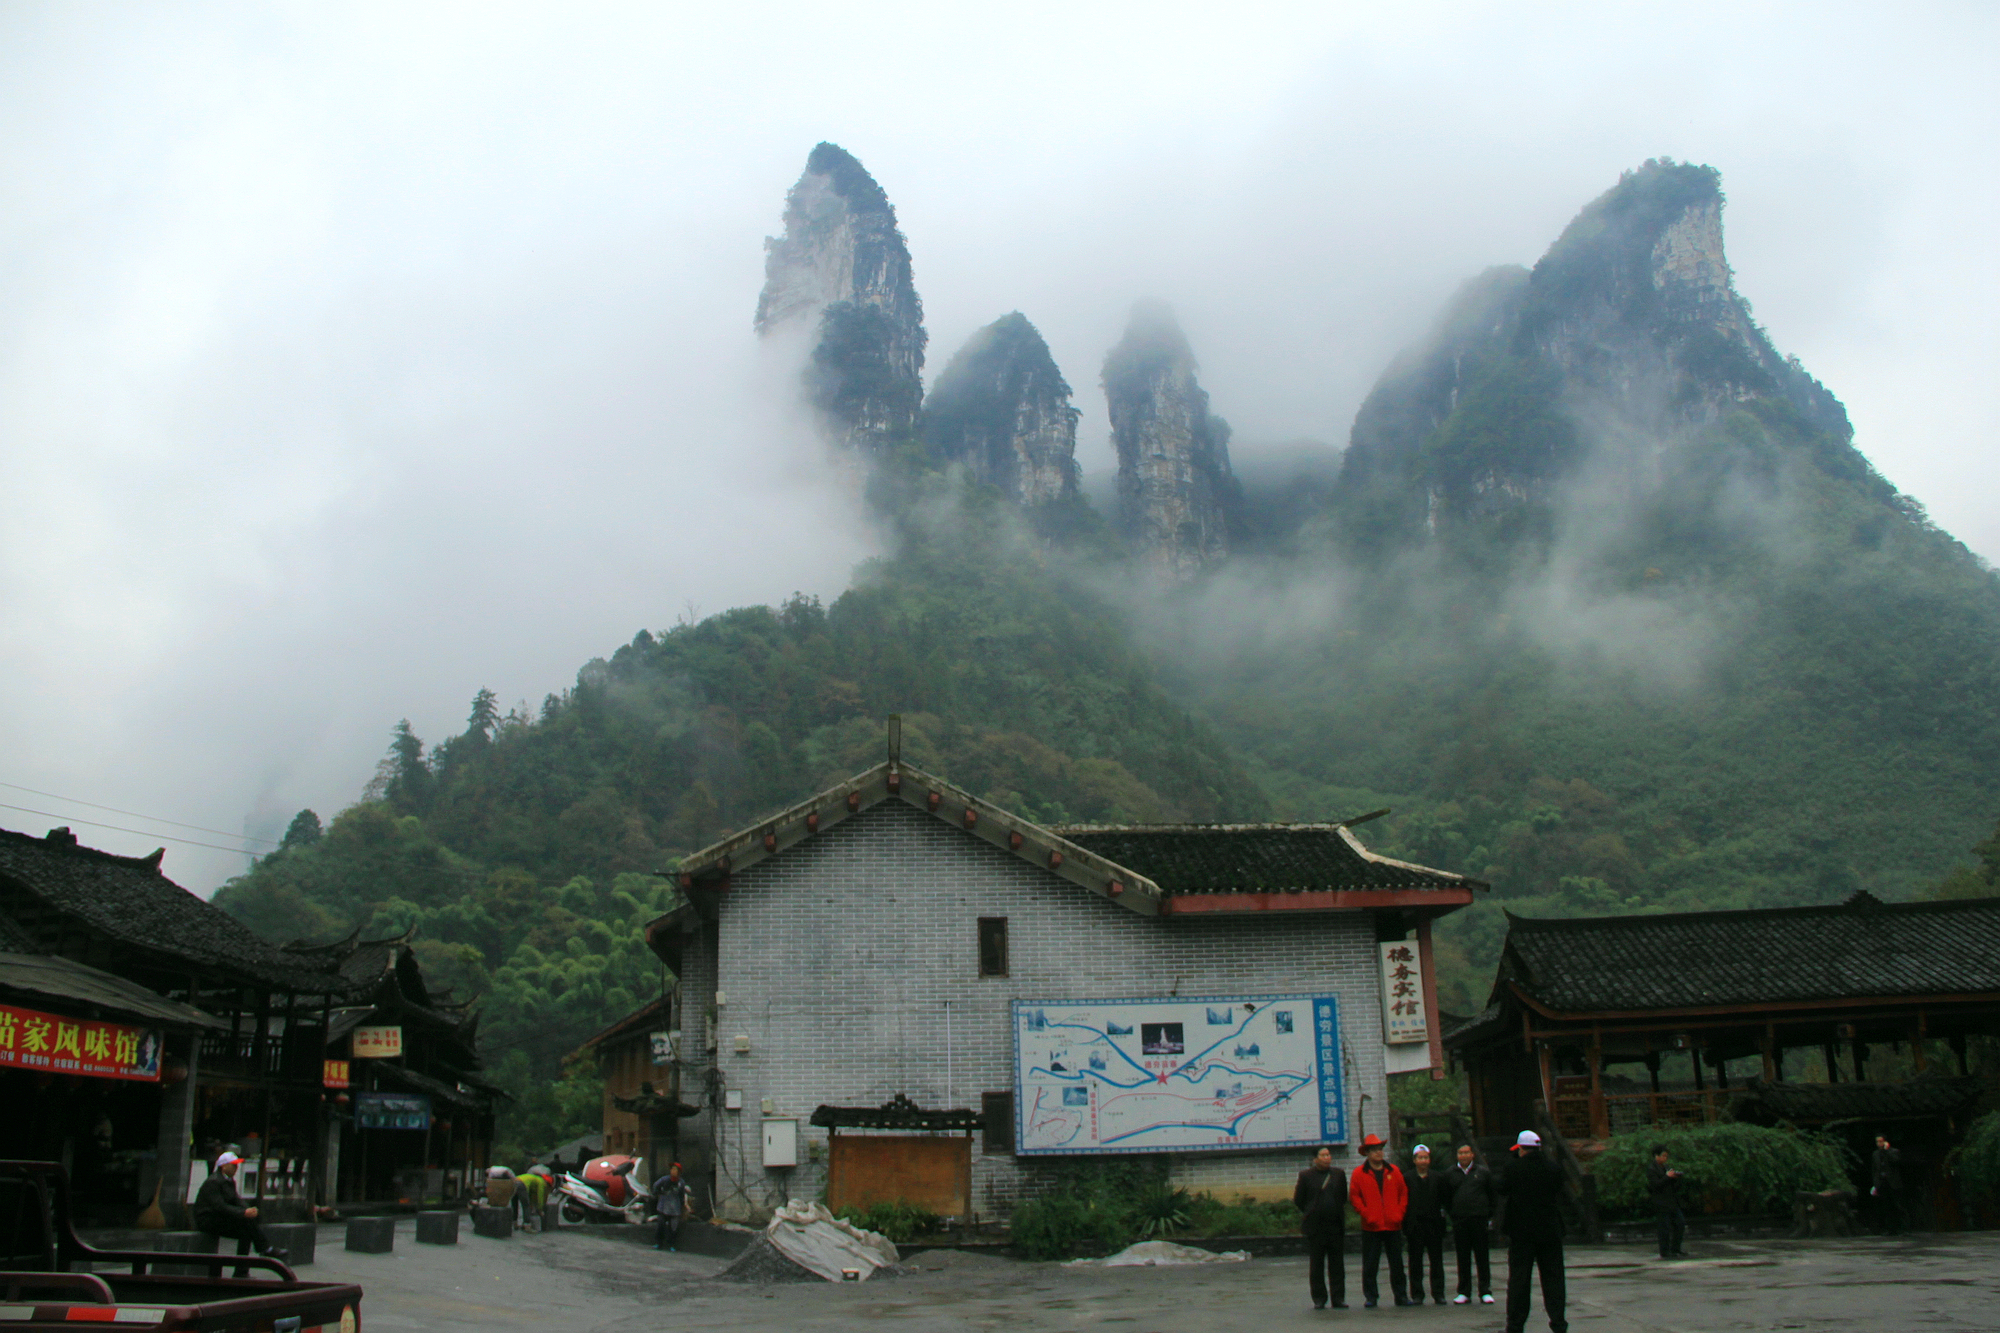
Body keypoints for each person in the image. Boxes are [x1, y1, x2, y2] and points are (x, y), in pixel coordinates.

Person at [1495, 1130, 1577, 1333]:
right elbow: (1558, 1188)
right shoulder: (1553, 1169)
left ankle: (1515, 1325)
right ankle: (1558, 1323)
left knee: (1519, 1280)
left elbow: (1502, 1188)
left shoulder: (1513, 1168)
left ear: (1521, 1148)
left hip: (1521, 1231)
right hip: (1549, 1230)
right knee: (1554, 1279)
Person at [1348, 1133, 1412, 1308]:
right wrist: (1367, 1214)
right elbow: (1355, 1198)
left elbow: (1403, 1194)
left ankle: (1401, 1295)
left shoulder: (1394, 1171)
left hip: (1393, 1224)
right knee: (1370, 1264)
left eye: (1380, 1149)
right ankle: (1371, 1296)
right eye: (1374, 1150)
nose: (1378, 1153)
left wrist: (1399, 1213)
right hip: (1371, 1226)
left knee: (1397, 1263)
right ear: (1367, 1153)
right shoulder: (1359, 1174)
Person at [192, 1152, 287, 1261]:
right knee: (245, 1222)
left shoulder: (229, 1181)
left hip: (219, 1217)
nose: (236, 1168)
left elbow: (236, 1199)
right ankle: (265, 1248)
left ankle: (242, 1269)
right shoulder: (213, 1182)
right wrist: (243, 1213)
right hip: (208, 1220)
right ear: (223, 1166)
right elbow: (220, 1206)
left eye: (237, 1165)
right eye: (233, 1165)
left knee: (246, 1230)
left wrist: (247, 1210)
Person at [1292, 1145, 1349, 1309]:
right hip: (1316, 1227)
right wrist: (1311, 1211)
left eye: (1328, 1155)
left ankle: (1338, 1298)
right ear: (1315, 1159)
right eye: (1323, 1155)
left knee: (1337, 1264)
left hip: (1335, 1226)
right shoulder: (1306, 1176)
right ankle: (1319, 1298)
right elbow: (1299, 1200)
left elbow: (1343, 1197)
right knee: (1317, 1264)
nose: (1327, 1158)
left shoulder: (1338, 1174)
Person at [1442, 1142, 1495, 1305]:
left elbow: (1492, 1196)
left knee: (1482, 1256)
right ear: (1456, 1155)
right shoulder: (1450, 1173)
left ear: (1472, 1154)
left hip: (1479, 1219)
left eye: (1467, 1153)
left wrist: (1489, 1215)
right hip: (1460, 1220)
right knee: (1462, 1256)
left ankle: (1485, 1290)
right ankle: (1464, 1291)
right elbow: (1446, 1197)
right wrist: (1454, 1214)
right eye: (1460, 1153)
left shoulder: (1483, 1173)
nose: (1464, 1156)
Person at [1402, 1144, 1448, 1304]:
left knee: (1436, 1260)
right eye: (1420, 1157)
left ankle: (1438, 1293)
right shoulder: (1406, 1178)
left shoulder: (1438, 1178)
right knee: (1415, 1261)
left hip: (1434, 1224)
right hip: (1415, 1226)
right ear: (1414, 1160)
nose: (1423, 1160)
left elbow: (1444, 1201)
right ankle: (1417, 1294)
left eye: (1425, 1157)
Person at [1646, 1145, 1687, 1258]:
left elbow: (1672, 1185)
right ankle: (1665, 1251)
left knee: (1680, 1223)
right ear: (1656, 1156)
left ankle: (1676, 1249)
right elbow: (1656, 1185)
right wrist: (1667, 1177)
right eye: (1663, 1156)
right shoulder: (1651, 1169)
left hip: (1671, 1201)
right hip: (1661, 1202)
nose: (1665, 1158)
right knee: (1664, 1227)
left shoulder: (1666, 1167)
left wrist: (1676, 1178)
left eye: (1666, 1156)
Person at [1870, 1134, 1905, 1235]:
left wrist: (1887, 1150)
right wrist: (1876, 1184)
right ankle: (1889, 1229)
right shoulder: (1875, 1154)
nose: (1879, 1144)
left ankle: (1900, 1228)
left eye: (1881, 1141)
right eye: (1877, 1142)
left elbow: (1896, 1161)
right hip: (1882, 1182)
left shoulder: (1894, 1151)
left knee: (1897, 1205)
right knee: (1886, 1206)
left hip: (1893, 1183)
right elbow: (1875, 1170)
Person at [652, 1162, 690, 1251]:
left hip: (675, 1208)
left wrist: (682, 1205)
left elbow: (681, 1195)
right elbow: (655, 1186)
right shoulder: (664, 1180)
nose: (673, 1171)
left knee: (673, 1228)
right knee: (660, 1225)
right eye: (672, 1169)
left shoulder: (681, 1183)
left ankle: (671, 1244)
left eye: (675, 1170)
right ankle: (658, 1243)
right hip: (663, 1206)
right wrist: (658, 1193)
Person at [519, 1163, 550, 1231]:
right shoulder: (541, 1182)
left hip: (515, 1180)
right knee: (526, 1206)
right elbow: (540, 1197)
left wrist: (532, 1203)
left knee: (514, 1204)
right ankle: (527, 1226)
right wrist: (540, 1209)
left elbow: (530, 1194)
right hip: (522, 1184)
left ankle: (515, 1223)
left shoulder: (534, 1178)